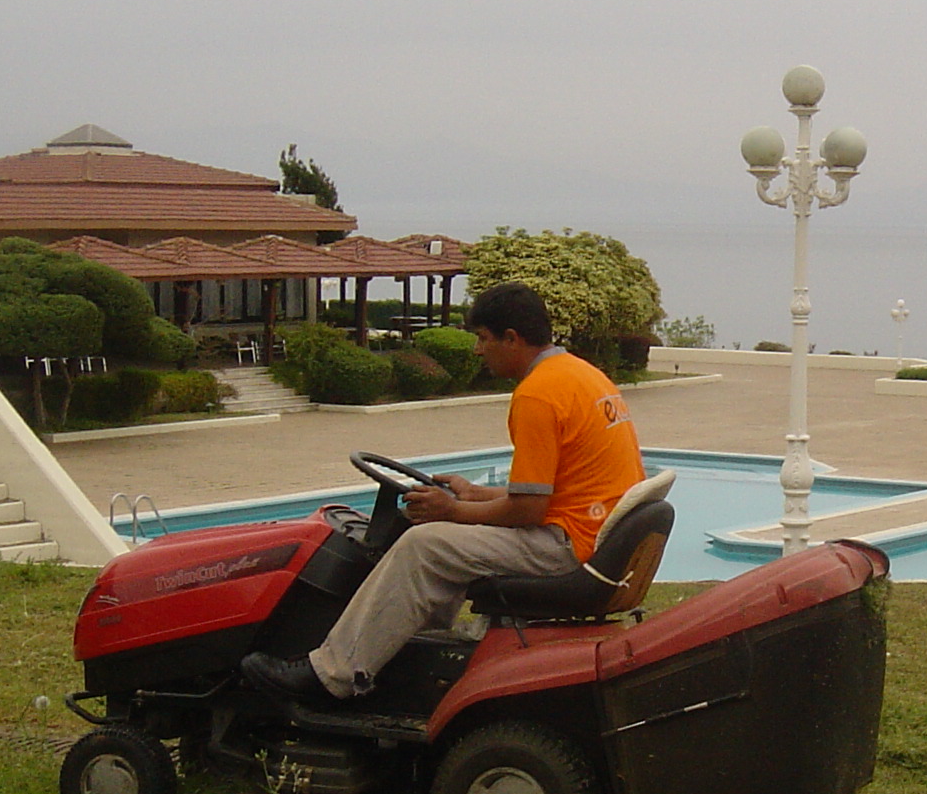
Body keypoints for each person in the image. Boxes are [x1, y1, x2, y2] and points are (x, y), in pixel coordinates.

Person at [239, 282, 645, 703]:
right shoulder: (582, 376)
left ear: (511, 338)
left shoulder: (538, 394)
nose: (477, 351)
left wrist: (451, 511)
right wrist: (473, 494)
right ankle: (410, 654)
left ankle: (333, 674)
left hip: (567, 546)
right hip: (591, 532)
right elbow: (552, 490)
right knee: (447, 543)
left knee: (424, 544)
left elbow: (528, 510)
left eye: (482, 339)